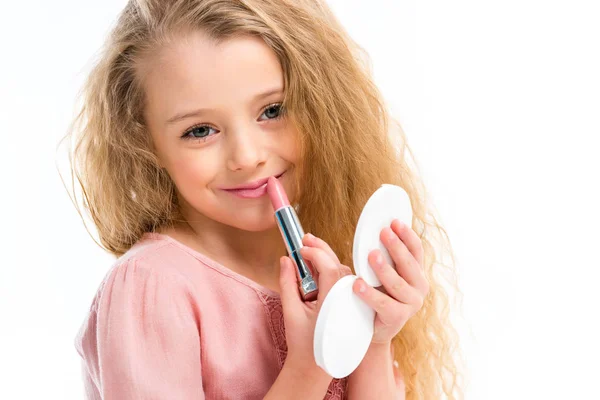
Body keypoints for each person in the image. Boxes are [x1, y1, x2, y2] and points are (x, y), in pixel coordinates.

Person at [61, 0, 462, 398]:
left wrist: (375, 338)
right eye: (200, 131)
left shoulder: (331, 258)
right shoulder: (153, 287)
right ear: (146, 145)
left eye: (272, 110)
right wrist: (310, 365)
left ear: (325, 108)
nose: (247, 156)